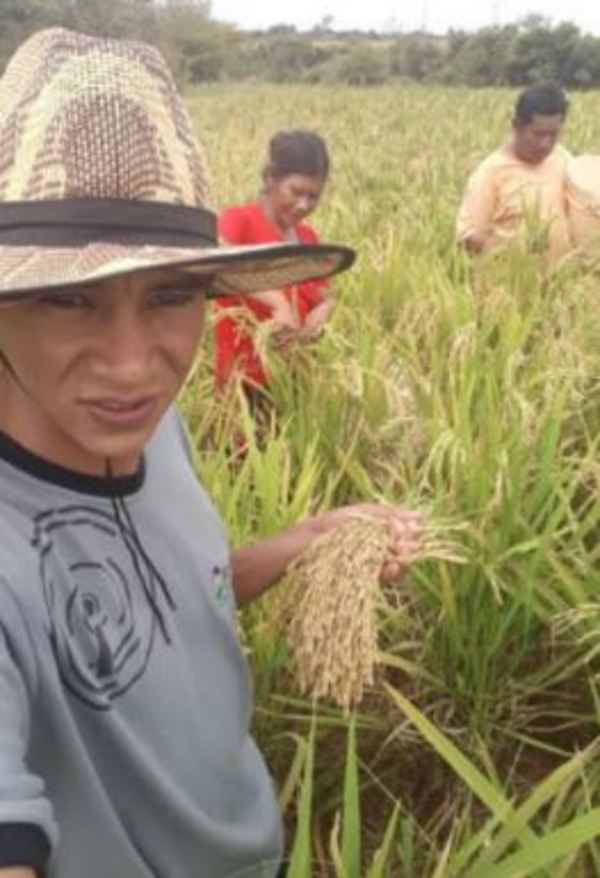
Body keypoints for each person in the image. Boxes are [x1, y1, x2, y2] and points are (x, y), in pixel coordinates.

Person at [0, 28, 422, 878]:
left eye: (171, 294)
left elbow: (183, 593)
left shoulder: (156, 428)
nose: (131, 364)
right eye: (65, 300)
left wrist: (303, 539)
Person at [214, 130, 335, 392]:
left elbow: (325, 295)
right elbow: (217, 259)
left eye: (313, 197)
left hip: (296, 383)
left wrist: (322, 312)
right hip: (243, 387)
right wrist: (276, 300)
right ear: (271, 178)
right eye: (296, 191)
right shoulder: (240, 220)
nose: (303, 204)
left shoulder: (308, 238)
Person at [456, 83, 572, 262]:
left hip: (561, 284)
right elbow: (467, 238)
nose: (545, 144)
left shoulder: (563, 159)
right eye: (538, 134)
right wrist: (516, 251)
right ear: (516, 126)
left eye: (553, 135)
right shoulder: (491, 173)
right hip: (509, 286)